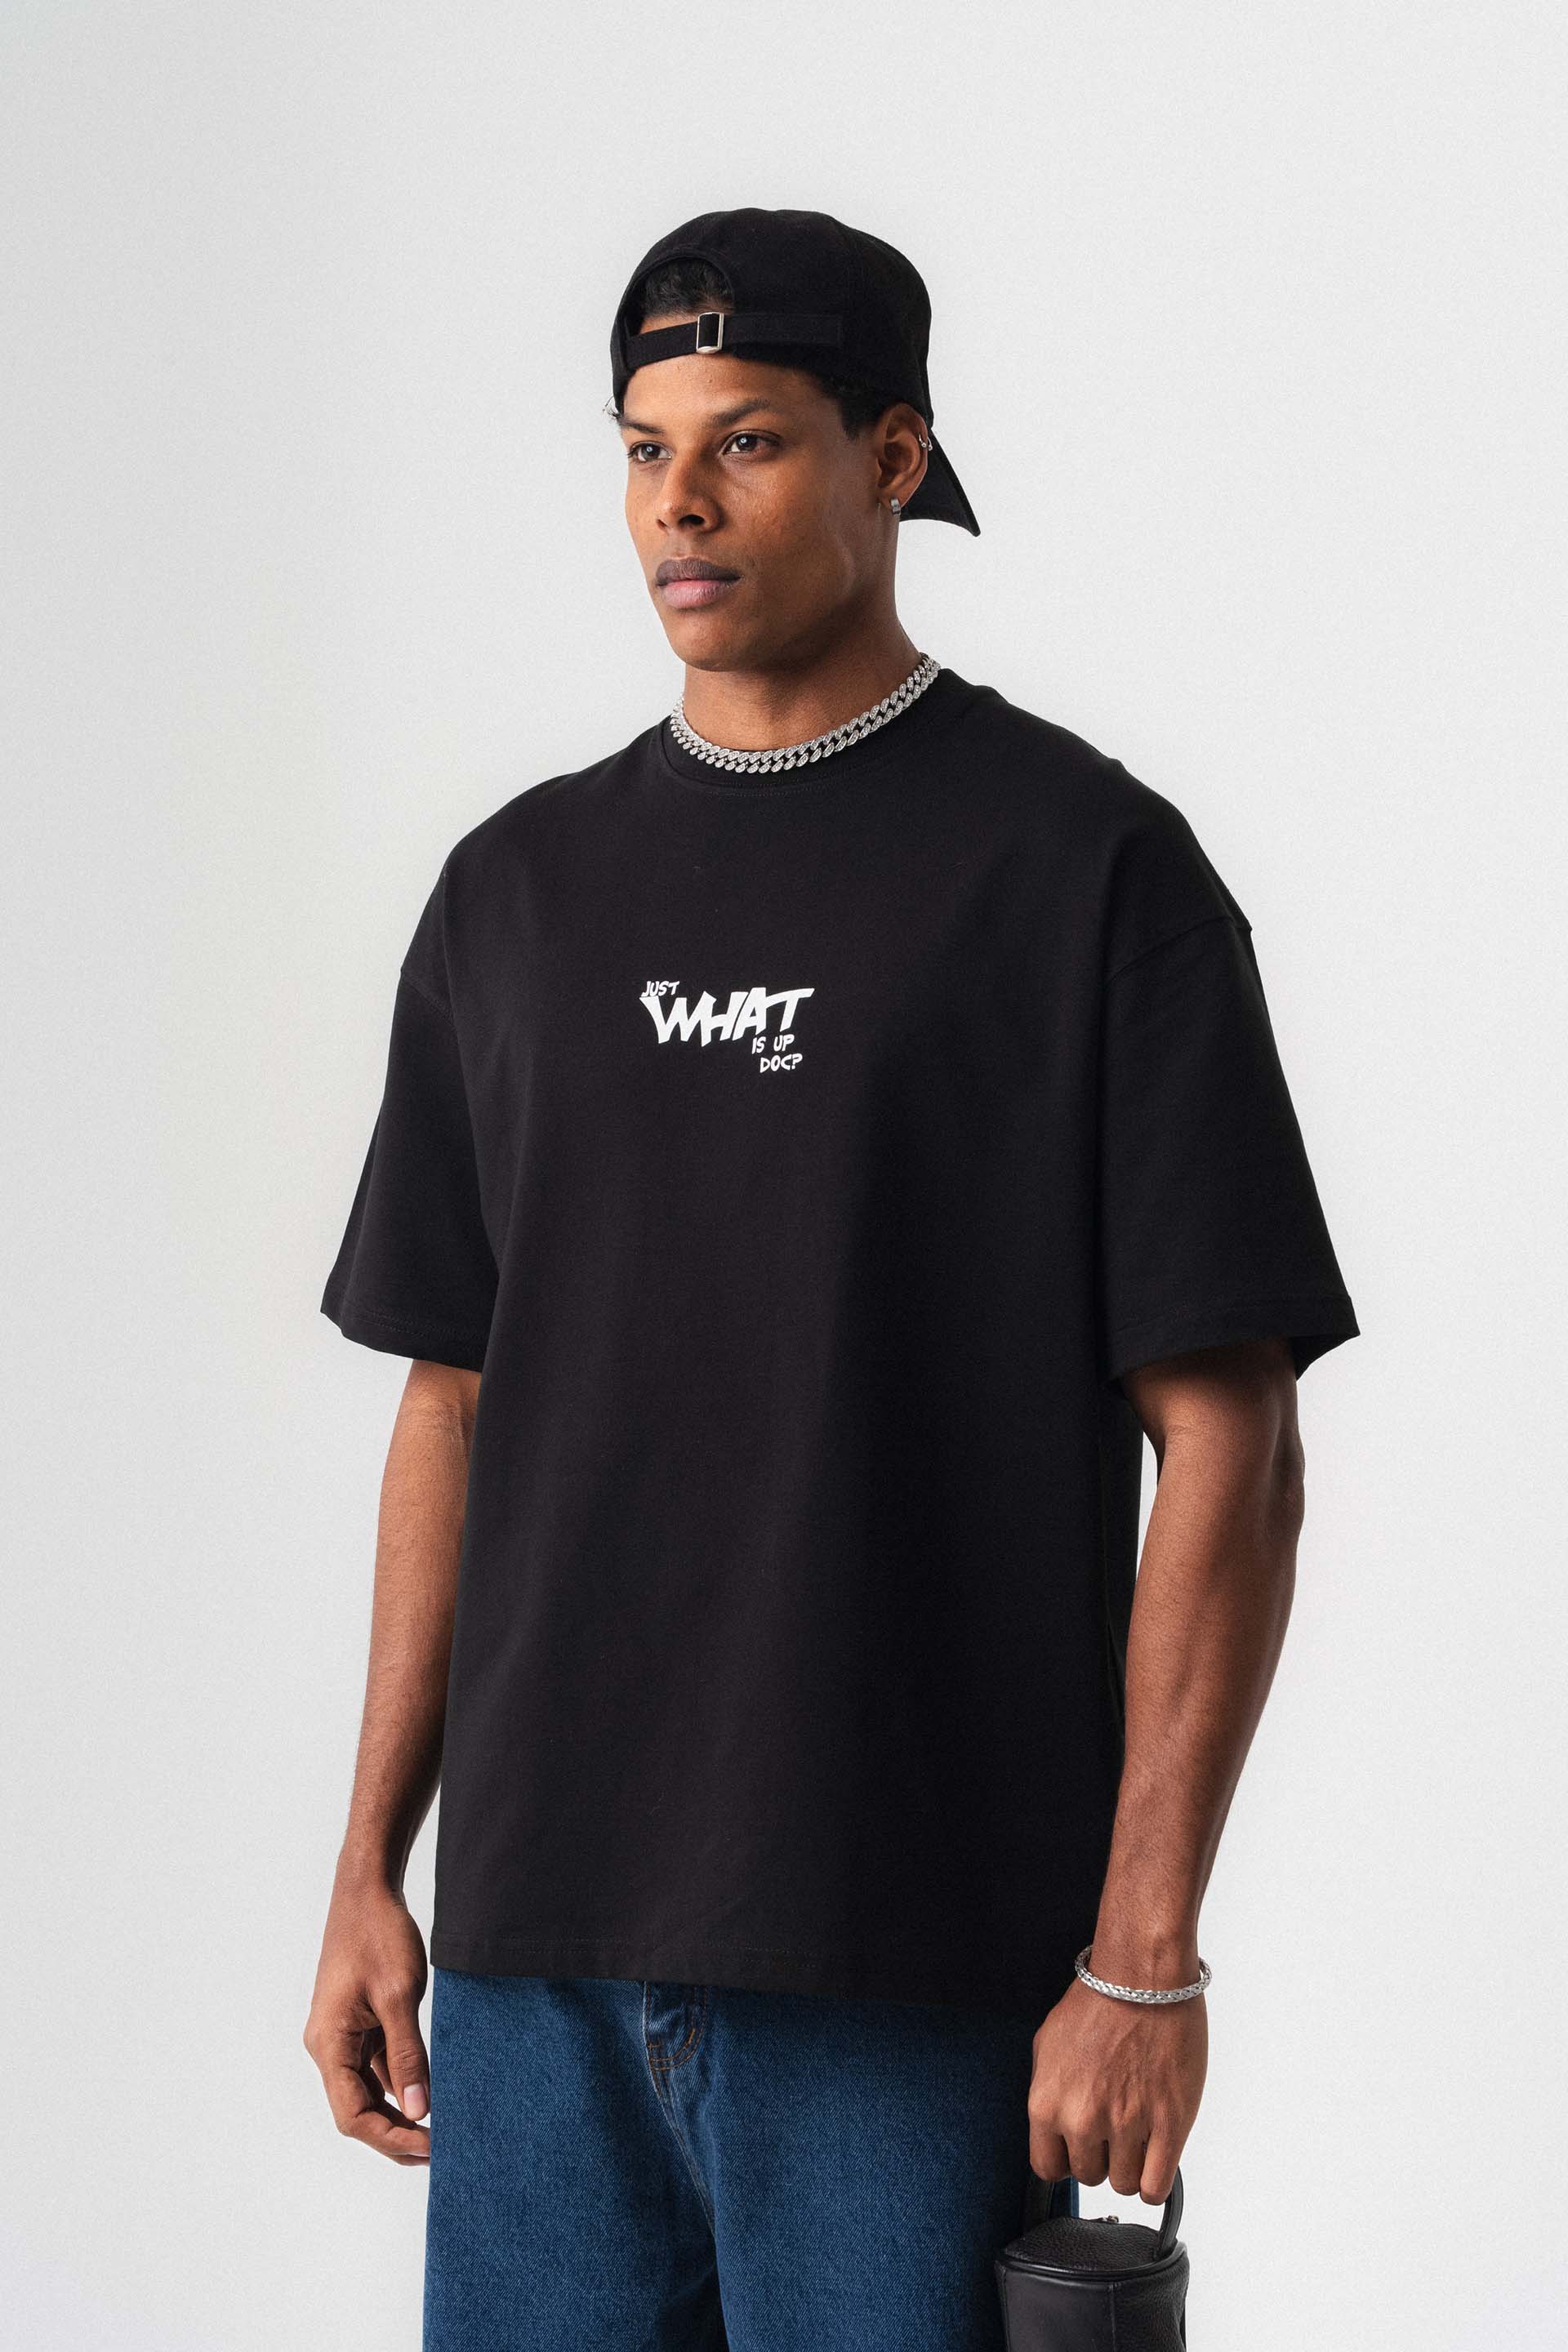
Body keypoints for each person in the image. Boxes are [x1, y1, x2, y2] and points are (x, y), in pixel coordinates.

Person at [304, 206, 1360, 2352]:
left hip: (912, 1962)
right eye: (644, 449)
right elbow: (455, 1399)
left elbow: (1231, 1437)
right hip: (535, 1961)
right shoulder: (515, 895)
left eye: (750, 441)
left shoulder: (1087, 873)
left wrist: (1145, 1952)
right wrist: (367, 1869)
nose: (678, 505)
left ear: (894, 456)